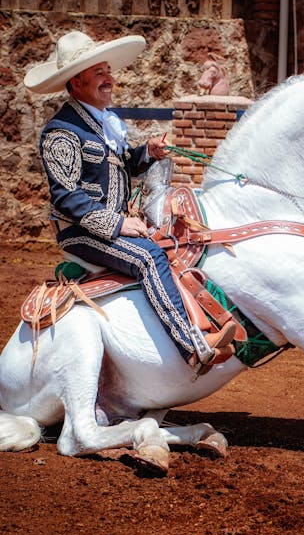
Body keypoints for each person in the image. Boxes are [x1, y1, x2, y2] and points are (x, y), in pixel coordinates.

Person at [24, 30, 236, 370]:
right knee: (150, 257)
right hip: (81, 232)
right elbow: (66, 196)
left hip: (111, 226)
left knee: (177, 243)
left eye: (108, 70)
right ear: (76, 83)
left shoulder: (102, 123)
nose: (109, 79)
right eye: (99, 73)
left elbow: (122, 167)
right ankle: (193, 345)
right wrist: (120, 223)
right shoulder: (61, 131)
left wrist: (148, 152)